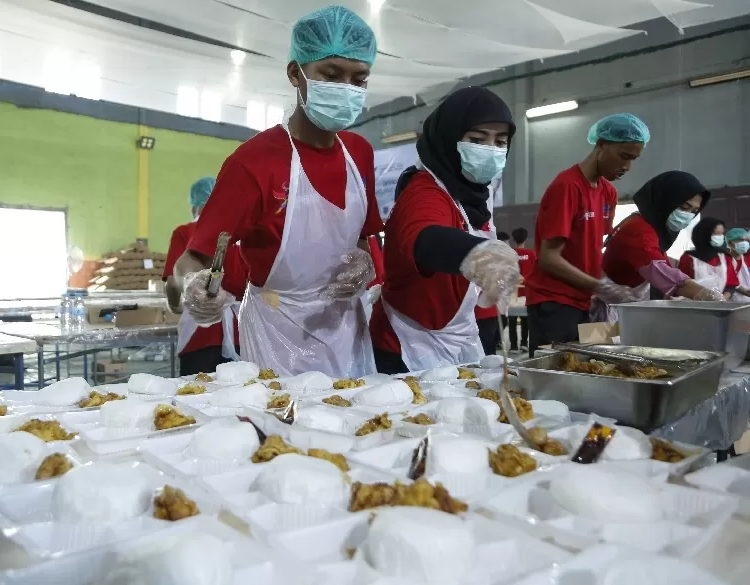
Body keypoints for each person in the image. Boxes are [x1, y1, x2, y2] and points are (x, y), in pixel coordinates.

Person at [174, 6, 382, 377]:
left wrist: (363, 266)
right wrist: (194, 286)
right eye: (330, 75)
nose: (346, 90)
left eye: (359, 80)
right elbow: (192, 258)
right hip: (278, 336)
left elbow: (362, 240)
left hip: (347, 328)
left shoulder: (359, 154)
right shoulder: (254, 163)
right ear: (295, 73)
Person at [369, 86, 521, 374]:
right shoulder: (424, 191)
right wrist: (475, 252)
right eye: (477, 139)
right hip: (405, 347)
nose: (491, 150)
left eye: (500, 142)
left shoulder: (472, 196)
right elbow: (425, 237)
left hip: (453, 338)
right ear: (449, 138)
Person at [524, 113, 650, 355]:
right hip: (555, 303)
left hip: (588, 302)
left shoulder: (608, 193)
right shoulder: (567, 186)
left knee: (593, 362)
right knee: (555, 371)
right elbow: (548, 258)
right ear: (601, 145)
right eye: (623, 157)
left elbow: (591, 252)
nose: (627, 167)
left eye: (634, 159)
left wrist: (611, 286)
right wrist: (601, 285)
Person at [594, 171, 724, 321]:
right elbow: (663, 273)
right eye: (683, 207)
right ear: (665, 200)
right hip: (609, 309)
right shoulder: (639, 230)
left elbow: (665, 269)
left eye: (694, 211)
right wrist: (706, 296)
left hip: (626, 305)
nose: (688, 215)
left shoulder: (653, 229)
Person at [163, 177, 247, 375]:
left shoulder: (185, 233)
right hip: (242, 335)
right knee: (241, 396)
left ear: (195, 206)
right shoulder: (240, 236)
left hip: (199, 333)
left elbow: (174, 283)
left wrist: (174, 305)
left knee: (197, 397)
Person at [677, 218, 737, 298]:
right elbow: (681, 285)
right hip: (694, 304)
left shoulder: (725, 258)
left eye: (722, 234)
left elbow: (731, 285)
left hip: (721, 304)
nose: (720, 237)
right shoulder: (688, 258)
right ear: (704, 235)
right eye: (717, 234)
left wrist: (722, 299)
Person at [508, 227, 535, 351]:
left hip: (513, 293)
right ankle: (524, 343)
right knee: (525, 320)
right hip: (527, 292)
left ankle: (513, 345)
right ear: (526, 238)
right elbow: (535, 272)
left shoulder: (510, 254)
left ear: (513, 239)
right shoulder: (532, 254)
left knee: (512, 320)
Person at [725, 228, 750, 301]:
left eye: (746, 240)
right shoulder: (725, 260)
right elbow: (732, 283)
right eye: (740, 240)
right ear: (730, 243)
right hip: (733, 302)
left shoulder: (744, 260)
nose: (744, 243)